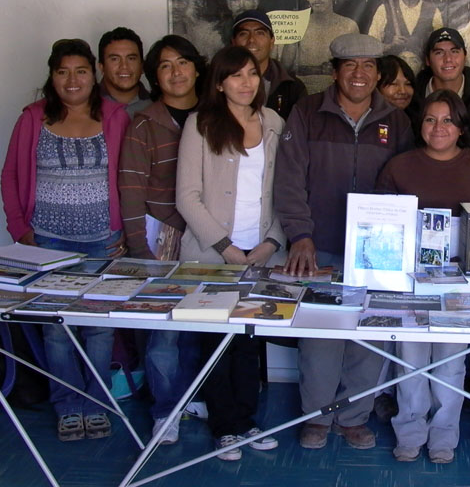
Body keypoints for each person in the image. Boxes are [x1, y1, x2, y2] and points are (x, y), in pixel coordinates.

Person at [274, 33, 413, 450]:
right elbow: (289, 178)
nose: (359, 73)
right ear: (334, 71)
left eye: (369, 65)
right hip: (320, 245)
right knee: (320, 338)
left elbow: (407, 181)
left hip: (377, 251)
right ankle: (317, 417)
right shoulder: (307, 113)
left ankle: (354, 416)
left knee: (367, 337)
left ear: (377, 72)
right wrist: (300, 235)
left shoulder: (396, 120)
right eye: (350, 65)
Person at [1, 38, 129, 441]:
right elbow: (9, 177)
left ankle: (98, 403)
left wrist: (124, 229)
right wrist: (21, 231)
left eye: (80, 71)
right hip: (47, 243)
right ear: (52, 76)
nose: (72, 80)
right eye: (62, 71)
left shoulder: (115, 116)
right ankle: (68, 404)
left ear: (94, 73)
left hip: (101, 241)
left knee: (99, 328)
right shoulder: (33, 118)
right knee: (56, 329)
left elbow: (129, 178)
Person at [376, 89, 470, 464]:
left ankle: (443, 437)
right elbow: (381, 227)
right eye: (431, 119)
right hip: (410, 282)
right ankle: (410, 431)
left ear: (462, 127)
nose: (439, 127)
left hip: (460, 287)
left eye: (448, 120)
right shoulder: (398, 166)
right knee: (411, 359)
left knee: (450, 364)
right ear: (420, 125)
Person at [176, 45, 285, 461]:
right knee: (215, 343)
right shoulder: (200, 124)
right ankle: (225, 428)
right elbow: (187, 196)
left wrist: (270, 243)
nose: (246, 82)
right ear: (219, 83)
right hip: (213, 254)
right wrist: (226, 247)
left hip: (259, 254)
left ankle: (247, 421)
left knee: (247, 342)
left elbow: (283, 190)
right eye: (236, 75)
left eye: (253, 74)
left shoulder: (273, 122)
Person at [118, 34, 206, 444]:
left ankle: (190, 396)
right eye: (166, 66)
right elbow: (131, 188)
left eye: (183, 63)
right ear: (155, 75)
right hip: (162, 235)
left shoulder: (214, 115)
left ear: (197, 68)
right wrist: (139, 248)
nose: (176, 72)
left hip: (205, 235)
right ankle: (164, 409)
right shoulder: (145, 122)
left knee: (197, 321)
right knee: (164, 328)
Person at [281, 0, 359, 94]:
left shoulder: (348, 26)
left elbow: (355, 67)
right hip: (303, 91)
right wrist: (292, 34)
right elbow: (285, 67)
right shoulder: (298, 24)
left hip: (337, 91)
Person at [414, 27, 470, 137]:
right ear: (428, 60)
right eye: (439, 53)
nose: (448, 59)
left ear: (465, 57)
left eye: (454, 51)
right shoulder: (413, 95)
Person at [368, 0, 443, 71]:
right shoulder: (384, 9)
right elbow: (370, 47)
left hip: (421, 77)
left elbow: (440, 49)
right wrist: (390, 46)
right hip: (390, 75)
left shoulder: (433, 11)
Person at [231, 9, 307, 120]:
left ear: (272, 42)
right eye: (243, 34)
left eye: (260, 33)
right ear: (233, 42)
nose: (251, 40)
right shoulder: (218, 83)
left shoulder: (292, 87)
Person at [97, 27, 150, 117]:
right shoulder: (85, 104)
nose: (124, 66)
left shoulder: (157, 107)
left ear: (142, 66)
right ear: (101, 67)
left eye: (131, 58)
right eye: (115, 59)